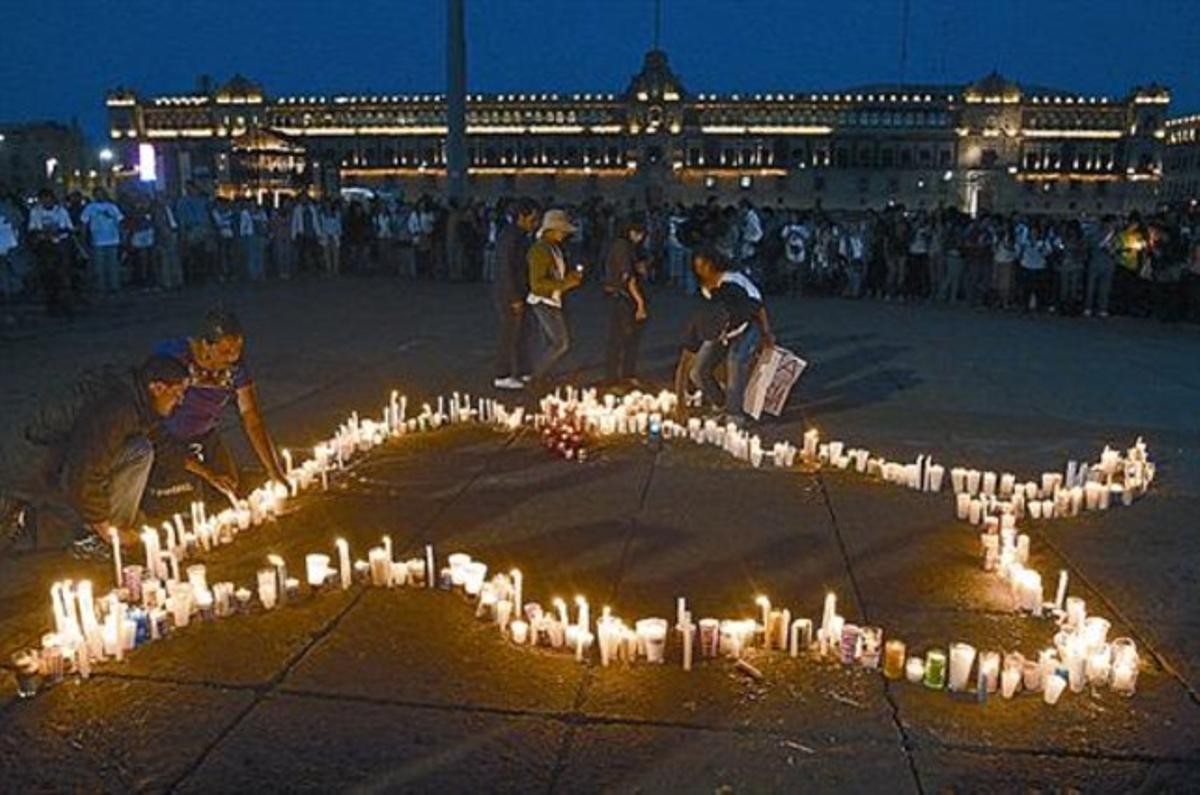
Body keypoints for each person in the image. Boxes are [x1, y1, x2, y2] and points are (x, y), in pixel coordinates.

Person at [20, 355, 189, 553]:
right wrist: (106, 530)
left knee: (139, 448)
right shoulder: (118, 409)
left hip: (62, 456)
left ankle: (105, 526)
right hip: (37, 462)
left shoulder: (139, 398)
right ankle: (104, 540)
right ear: (157, 387)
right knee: (139, 451)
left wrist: (210, 474)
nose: (181, 401)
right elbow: (86, 468)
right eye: (177, 393)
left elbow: (162, 441)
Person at [149, 308, 286, 507]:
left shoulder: (235, 369)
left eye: (237, 350)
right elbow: (151, 407)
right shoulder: (174, 356)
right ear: (206, 344)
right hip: (167, 439)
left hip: (205, 435)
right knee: (181, 501)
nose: (232, 357)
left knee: (229, 487)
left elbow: (251, 417)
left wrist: (274, 471)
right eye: (224, 351)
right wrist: (205, 472)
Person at [690, 246, 775, 425]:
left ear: (712, 263)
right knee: (698, 370)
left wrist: (767, 332)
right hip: (720, 332)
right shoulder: (704, 288)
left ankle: (734, 415)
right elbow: (707, 317)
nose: (700, 269)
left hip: (747, 328)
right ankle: (720, 403)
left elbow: (758, 305)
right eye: (696, 266)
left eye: (703, 265)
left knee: (735, 363)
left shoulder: (735, 280)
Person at [526, 209, 584, 388]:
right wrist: (566, 283)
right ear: (551, 230)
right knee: (560, 343)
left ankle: (541, 376)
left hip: (551, 299)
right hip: (544, 301)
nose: (565, 234)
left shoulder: (553, 248)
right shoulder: (540, 250)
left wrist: (568, 278)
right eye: (562, 230)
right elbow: (537, 283)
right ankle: (535, 377)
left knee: (548, 343)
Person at [492, 198, 539, 390]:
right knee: (509, 334)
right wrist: (514, 297)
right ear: (521, 217)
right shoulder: (512, 237)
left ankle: (523, 370)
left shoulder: (519, 236)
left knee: (522, 333)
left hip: (520, 291)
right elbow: (506, 269)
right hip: (510, 293)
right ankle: (502, 374)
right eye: (532, 219)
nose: (534, 223)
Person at [603, 217, 649, 385]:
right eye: (640, 233)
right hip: (623, 297)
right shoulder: (622, 247)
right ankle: (613, 376)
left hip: (624, 296)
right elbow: (628, 278)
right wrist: (640, 304)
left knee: (628, 337)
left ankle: (625, 374)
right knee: (621, 337)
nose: (642, 237)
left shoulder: (630, 247)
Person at [27, 188, 76, 316]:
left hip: (60, 245)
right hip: (45, 246)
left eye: (48, 199)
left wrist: (58, 231)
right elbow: (32, 229)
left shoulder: (61, 211)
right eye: (43, 200)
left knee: (63, 275)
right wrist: (43, 234)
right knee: (47, 275)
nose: (46, 202)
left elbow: (70, 229)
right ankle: (51, 303)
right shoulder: (35, 212)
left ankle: (65, 304)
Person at [79, 187, 124, 294]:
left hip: (113, 239)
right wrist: (83, 236)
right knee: (99, 266)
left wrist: (122, 236)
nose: (100, 196)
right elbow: (84, 222)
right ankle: (100, 287)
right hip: (97, 240)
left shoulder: (112, 207)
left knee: (113, 265)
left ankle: (114, 286)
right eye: (97, 194)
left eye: (101, 194)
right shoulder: (90, 207)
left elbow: (120, 221)